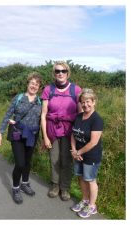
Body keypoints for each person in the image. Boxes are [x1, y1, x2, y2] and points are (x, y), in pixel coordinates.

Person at [0, 72, 42, 204]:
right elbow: (8, 115)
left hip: (32, 135)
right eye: (32, 83)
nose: (34, 86)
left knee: (27, 162)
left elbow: (43, 120)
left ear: (39, 87)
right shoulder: (19, 98)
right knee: (20, 163)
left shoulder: (40, 101)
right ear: (28, 84)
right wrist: (0, 132)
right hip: (17, 134)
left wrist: (45, 138)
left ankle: (25, 183)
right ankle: (16, 188)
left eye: (37, 84)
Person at [41, 61, 82, 201]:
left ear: (68, 73)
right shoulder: (48, 89)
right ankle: (55, 186)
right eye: (57, 71)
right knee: (54, 159)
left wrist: (80, 133)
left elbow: (80, 113)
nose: (60, 73)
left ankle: (65, 188)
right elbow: (43, 114)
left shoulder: (76, 90)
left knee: (66, 160)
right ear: (54, 73)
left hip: (70, 131)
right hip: (52, 130)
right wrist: (45, 137)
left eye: (63, 71)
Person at [70, 88, 103, 218]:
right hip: (78, 154)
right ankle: (84, 200)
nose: (85, 105)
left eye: (88, 101)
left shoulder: (97, 119)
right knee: (81, 178)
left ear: (94, 102)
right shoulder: (78, 116)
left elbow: (93, 142)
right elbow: (73, 134)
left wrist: (79, 152)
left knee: (90, 180)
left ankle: (92, 206)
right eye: (83, 102)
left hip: (91, 156)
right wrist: (74, 150)